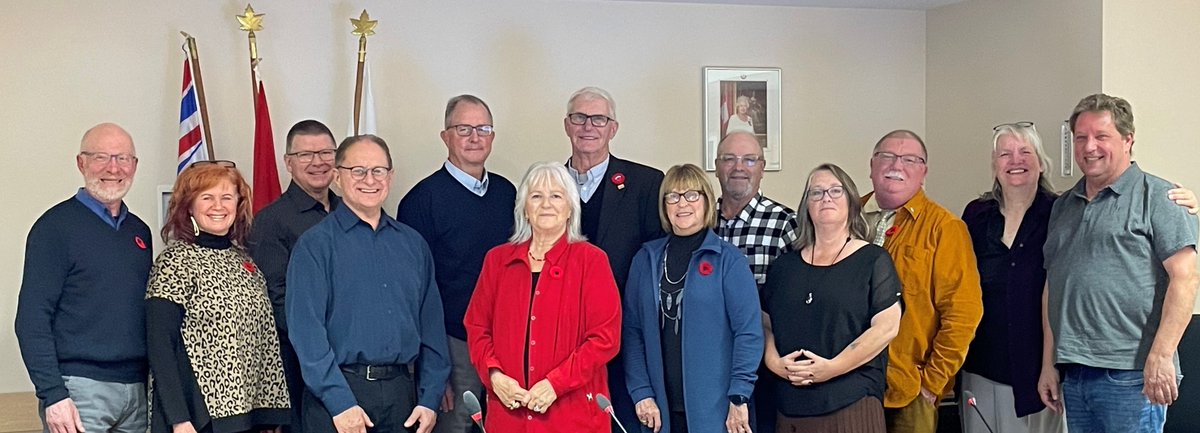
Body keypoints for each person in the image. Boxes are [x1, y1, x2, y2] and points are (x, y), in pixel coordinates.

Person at [1039, 94, 1199, 433]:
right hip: (1075, 370)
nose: (1089, 146)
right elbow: (1054, 286)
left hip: (1133, 374)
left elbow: (1186, 278)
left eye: (1101, 136)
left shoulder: (1160, 197)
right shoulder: (1063, 207)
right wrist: (1048, 364)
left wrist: (1161, 356)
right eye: (1081, 137)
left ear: (1128, 139)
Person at [287, 135, 451, 433]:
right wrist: (339, 403)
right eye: (358, 171)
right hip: (339, 398)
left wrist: (429, 399)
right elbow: (307, 334)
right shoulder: (315, 246)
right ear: (337, 176)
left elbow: (432, 329)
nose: (370, 180)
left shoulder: (413, 245)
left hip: (404, 399)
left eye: (378, 170)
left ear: (391, 176)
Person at [464, 162, 622, 432]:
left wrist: (555, 384)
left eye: (556, 196)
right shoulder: (497, 261)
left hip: (573, 416)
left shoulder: (591, 261)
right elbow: (477, 328)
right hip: (508, 416)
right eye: (536, 196)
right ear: (524, 208)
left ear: (570, 208)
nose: (546, 204)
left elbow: (605, 338)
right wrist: (495, 375)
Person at [16, 123, 152, 433]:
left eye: (123, 158)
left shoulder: (139, 233)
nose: (113, 168)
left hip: (138, 391)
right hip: (78, 392)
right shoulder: (54, 228)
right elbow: (32, 319)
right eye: (101, 157)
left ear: (134, 165)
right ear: (81, 162)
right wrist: (53, 394)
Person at [398, 95, 516, 433]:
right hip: (453, 344)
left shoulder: (509, 195)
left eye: (483, 128)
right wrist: (433, 371)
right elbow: (415, 292)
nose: (475, 137)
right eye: (464, 129)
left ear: (492, 136)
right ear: (445, 136)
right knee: (459, 425)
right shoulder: (421, 201)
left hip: (506, 341)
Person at [146, 162, 290, 433]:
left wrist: (270, 415)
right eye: (207, 197)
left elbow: (263, 339)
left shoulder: (245, 262)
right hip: (198, 418)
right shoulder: (175, 260)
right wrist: (179, 418)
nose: (218, 206)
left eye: (226, 197)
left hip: (247, 416)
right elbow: (160, 345)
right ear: (189, 206)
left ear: (238, 204)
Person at [623, 163, 762, 433]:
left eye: (691, 195)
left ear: (706, 201)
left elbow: (748, 333)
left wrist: (739, 396)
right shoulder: (646, 259)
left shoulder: (728, 260)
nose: (682, 203)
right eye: (673, 196)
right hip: (659, 411)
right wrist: (641, 392)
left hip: (719, 410)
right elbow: (632, 332)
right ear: (664, 206)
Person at [762, 163, 901, 433]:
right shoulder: (783, 267)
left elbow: (886, 328)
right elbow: (765, 324)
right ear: (806, 207)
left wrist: (832, 368)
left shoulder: (873, 260)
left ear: (851, 202)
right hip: (790, 407)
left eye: (835, 191)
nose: (826, 197)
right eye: (816, 192)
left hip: (852, 403)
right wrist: (773, 362)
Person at [861, 129, 982, 433]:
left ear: (923, 172)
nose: (896, 165)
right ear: (872, 165)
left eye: (910, 159)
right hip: (844, 385)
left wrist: (931, 384)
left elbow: (963, 314)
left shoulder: (944, 228)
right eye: (887, 156)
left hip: (908, 392)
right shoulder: (846, 215)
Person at [563, 86, 664, 428]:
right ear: (567, 125)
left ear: (613, 128)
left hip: (626, 335)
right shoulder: (548, 185)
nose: (588, 126)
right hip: (564, 339)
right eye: (579, 117)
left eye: (599, 118)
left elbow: (658, 262)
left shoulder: (645, 184)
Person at [248, 119, 341, 433]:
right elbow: (279, 300)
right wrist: (326, 341)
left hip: (353, 363)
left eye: (326, 152)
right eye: (305, 155)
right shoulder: (271, 221)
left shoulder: (350, 211)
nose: (317, 162)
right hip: (302, 366)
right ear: (288, 163)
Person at [713, 131, 798, 433]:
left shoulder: (785, 223)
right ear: (716, 165)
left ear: (762, 167)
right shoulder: (700, 221)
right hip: (708, 360)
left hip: (763, 366)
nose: (739, 167)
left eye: (749, 160)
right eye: (729, 159)